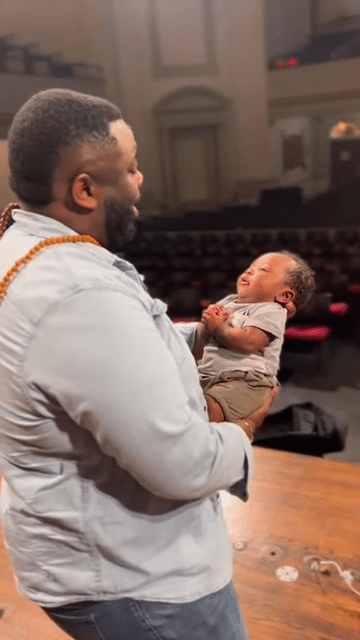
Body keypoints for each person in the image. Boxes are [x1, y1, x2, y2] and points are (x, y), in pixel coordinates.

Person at [0, 88, 277, 640]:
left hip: (78, 556)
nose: (140, 179)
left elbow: (91, 362)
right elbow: (181, 464)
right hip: (140, 582)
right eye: (129, 167)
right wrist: (244, 432)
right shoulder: (79, 293)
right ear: (85, 189)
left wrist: (198, 334)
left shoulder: (22, 253)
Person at [195, 252, 315, 423]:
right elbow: (203, 340)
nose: (249, 271)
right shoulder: (230, 301)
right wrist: (206, 325)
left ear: (284, 296)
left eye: (263, 270)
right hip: (207, 375)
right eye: (251, 267)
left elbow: (249, 343)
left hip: (247, 381)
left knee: (210, 407)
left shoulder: (272, 310)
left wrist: (219, 327)